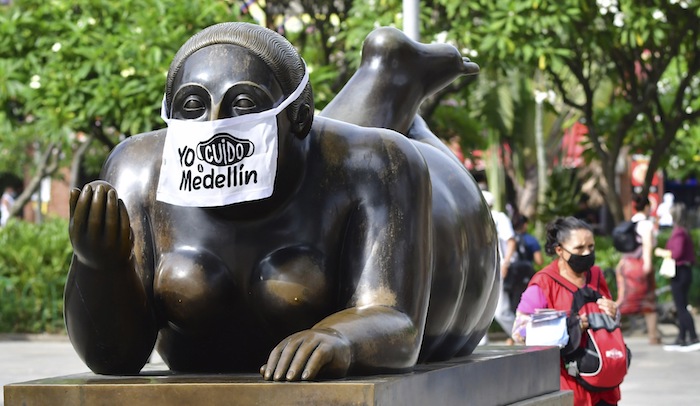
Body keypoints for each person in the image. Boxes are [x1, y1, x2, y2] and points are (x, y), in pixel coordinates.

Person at [65, 22, 499, 381]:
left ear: (300, 115)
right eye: (193, 105)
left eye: (243, 104)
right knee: (323, 154)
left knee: (338, 157)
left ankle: (392, 72)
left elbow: (397, 323)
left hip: (451, 250)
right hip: (315, 151)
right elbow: (114, 358)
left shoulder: (379, 163)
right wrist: (101, 267)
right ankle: (390, 68)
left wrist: (343, 339)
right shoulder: (140, 170)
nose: (215, 125)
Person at [512, 216, 621, 406]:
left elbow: (610, 318)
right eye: (579, 248)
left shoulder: (596, 275)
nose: (587, 253)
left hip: (604, 387)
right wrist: (570, 326)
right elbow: (519, 332)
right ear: (560, 250)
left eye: (591, 247)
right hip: (567, 388)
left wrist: (614, 312)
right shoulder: (544, 283)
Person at [615, 194, 660, 344]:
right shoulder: (646, 224)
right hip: (639, 265)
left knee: (623, 299)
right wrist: (647, 264)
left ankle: (612, 333)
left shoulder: (629, 224)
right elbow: (647, 244)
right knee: (648, 301)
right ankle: (653, 336)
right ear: (647, 207)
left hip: (624, 265)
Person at [658, 203, 700, 351]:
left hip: (680, 271)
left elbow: (676, 253)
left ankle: (693, 337)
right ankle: (682, 337)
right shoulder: (683, 231)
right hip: (683, 271)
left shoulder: (679, 233)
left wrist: (662, 252)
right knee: (681, 305)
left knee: (681, 307)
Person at [482, 189, 517, 344]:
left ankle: (520, 335)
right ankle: (480, 343)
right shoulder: (473, 219)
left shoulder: (498, 218)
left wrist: (506, 263)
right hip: (479, 271)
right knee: (479, 310)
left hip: (496, 267)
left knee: (501, 311)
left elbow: (510, 241)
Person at [505, 214, 543, 313]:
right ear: (525, 225)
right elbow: (539, 261)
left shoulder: (507, 239)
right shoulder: (531, 240)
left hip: (511, 276)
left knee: (511, 306)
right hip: (526, 276)